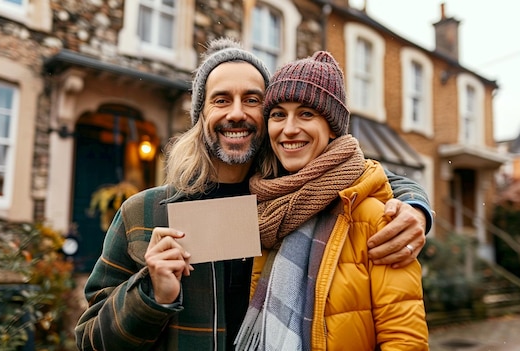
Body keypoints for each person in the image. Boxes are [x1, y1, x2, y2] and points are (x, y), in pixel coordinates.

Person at [75, 38, 431, 350]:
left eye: (251, 100)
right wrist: (151, 294)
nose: (236, 113)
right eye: (220, 100)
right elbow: (91, 341)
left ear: (267, 116)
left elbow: (363, 176)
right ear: (200, 114)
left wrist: (415, 207)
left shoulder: (292, 199)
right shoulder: (143, 213)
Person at [234, 51, 428, 350]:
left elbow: (405, 341)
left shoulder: (377, 217)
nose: (289, 129)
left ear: (332, 128)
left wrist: (418, 206)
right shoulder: (261, 208)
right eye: (278, 114)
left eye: (306, 114)